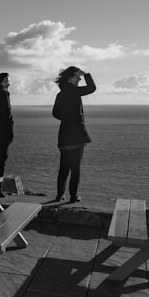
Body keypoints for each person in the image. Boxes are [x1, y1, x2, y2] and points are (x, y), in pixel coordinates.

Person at [51, 66, 96, 203]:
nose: (80, 79)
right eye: (78, 76)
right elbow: (91, 88)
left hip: (65, 134)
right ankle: (73, 196)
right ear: (71, 77)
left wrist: (67, 119)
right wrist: (87, 73)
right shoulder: (74, 91)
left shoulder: (61, 94)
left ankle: (59, 195)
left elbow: (55, 113)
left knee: (64, 168)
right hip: (77, 135)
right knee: (75, 168)